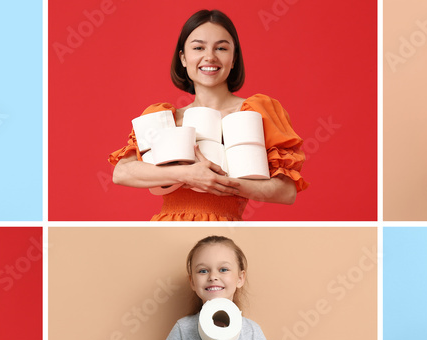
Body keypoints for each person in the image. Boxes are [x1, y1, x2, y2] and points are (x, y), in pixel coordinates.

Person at [109, 9, 308, 220]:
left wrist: (220, 183)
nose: (210, 56)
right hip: (167, 229)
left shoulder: (256, 114)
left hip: (225, 230)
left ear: (234, 59)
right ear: (183, 58)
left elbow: (286, 192)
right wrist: (188, 175)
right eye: (198, 47)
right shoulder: (165, 118)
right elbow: (122, 172)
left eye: (221, 48)